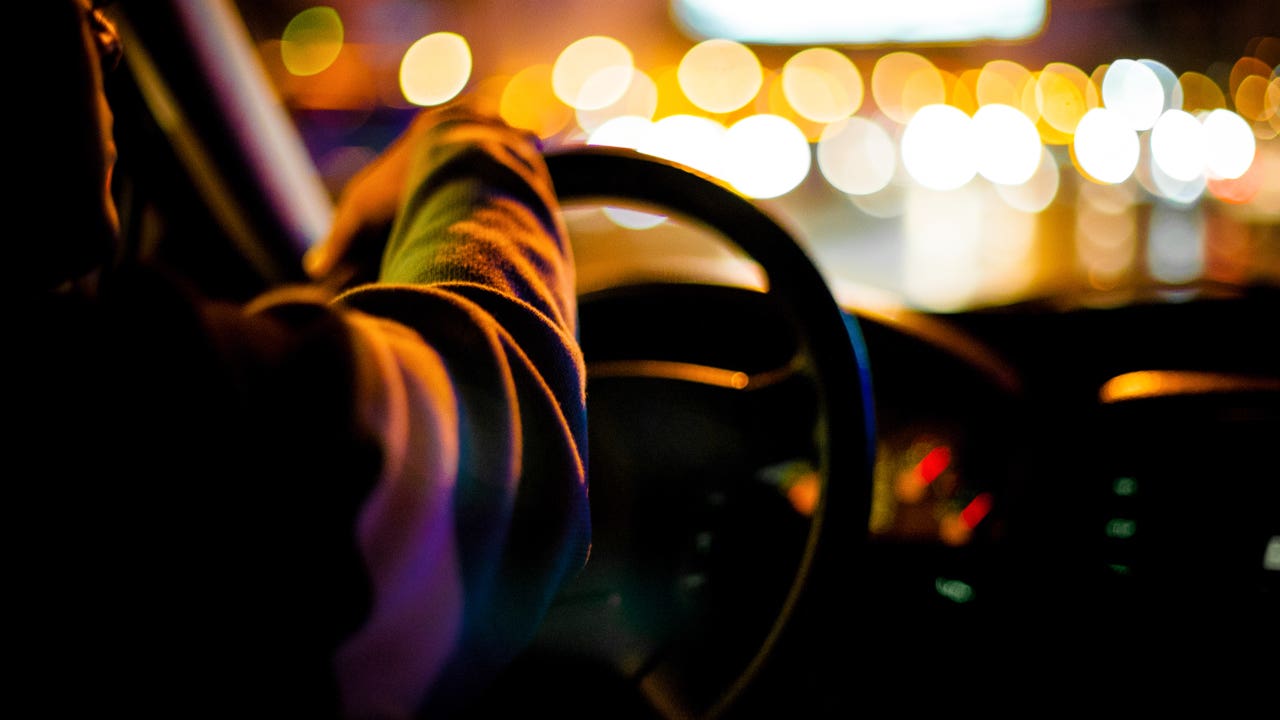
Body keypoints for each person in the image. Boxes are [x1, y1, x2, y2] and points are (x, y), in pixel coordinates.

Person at [14, 2, 589, 717]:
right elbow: (491, 446)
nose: (107, 41)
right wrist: (472, 149)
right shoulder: (110, 382)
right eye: (81, 8)